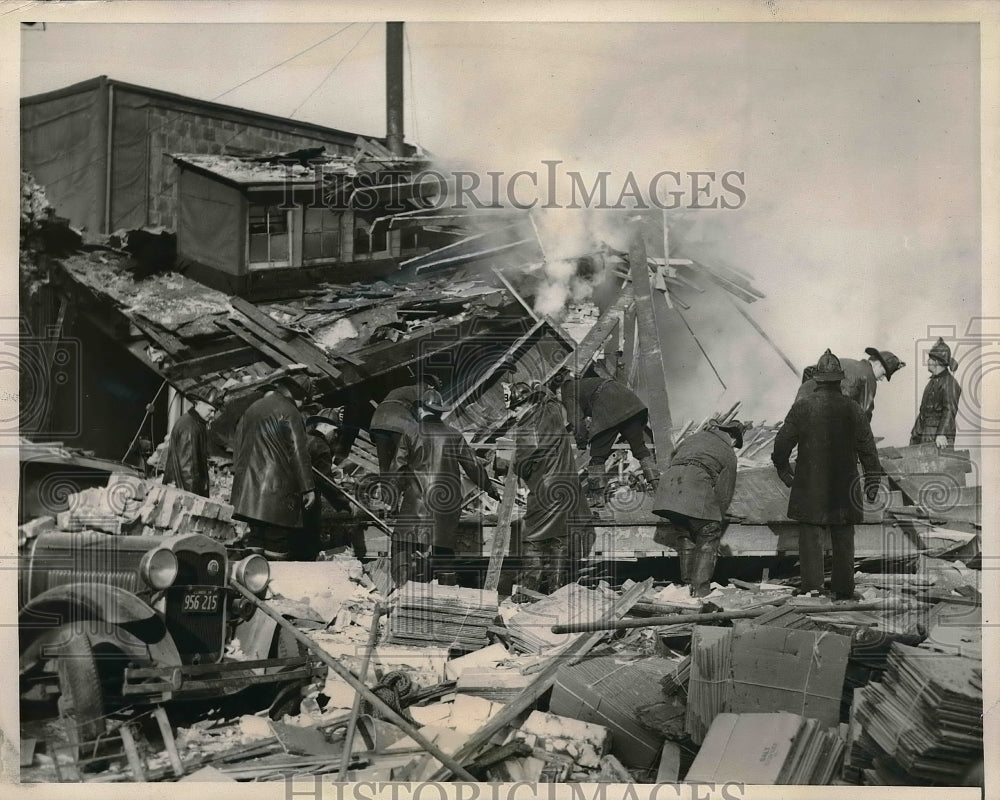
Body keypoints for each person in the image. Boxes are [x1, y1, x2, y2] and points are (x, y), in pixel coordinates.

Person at [772, 350, 884, 599]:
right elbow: (869, 451)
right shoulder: (853, 409)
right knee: (844, 538)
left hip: (809, 486)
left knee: (811, 538)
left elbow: (780, 447)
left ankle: (812, 590)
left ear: (818, 380)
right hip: (844, 486)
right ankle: (843, 591)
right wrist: (872, 484)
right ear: (839, 380)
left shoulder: (801, 408)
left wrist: (785, 472)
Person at [389, 389, 498, 587]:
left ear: (422, 410)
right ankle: (447, 596)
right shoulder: (454, 435)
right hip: (446, 506)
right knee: (444, 552)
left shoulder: (411, 433)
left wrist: (392, 500)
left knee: (401, 546)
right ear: (439, 412)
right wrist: (490, 488)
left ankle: (401, 591)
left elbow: (397, 469)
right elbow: (473, 465)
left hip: (416, 504)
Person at [505, 379, 594, 594]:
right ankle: (557, 588)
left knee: (533, 539)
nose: (513, 413)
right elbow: (551, 396)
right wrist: (538, 387)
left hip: (545, 491)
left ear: (524, 405)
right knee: (559, 538)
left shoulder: (526, 428)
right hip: (567, 489)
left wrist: (511, 464)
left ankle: (529, 589)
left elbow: (524, 464)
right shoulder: (553, 411)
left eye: (515, 408)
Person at [651, 418, 748, 597]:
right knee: (708, 532)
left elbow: (672, 459)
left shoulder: (693, 438)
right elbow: (724, 492)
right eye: (736, 443)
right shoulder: (728, 452)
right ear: (733, 437)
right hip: (693, 488)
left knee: (686, 533)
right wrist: (717, 515)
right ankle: (701, 590)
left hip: (668, 492)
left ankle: (687, 586)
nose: (734, 446)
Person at [230, 374, 315, 561]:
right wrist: (308, 487)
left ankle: (250, 581)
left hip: (249, 489)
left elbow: (238, 443)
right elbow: (298, 452)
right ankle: (273, 584)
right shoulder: (290, 412)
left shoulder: (253, 408)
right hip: (277, 491)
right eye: (304, 399)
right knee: (277, 541)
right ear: (297, 394)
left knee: (255, 538)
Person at [559, 373, 656, 506]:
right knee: (640, 449)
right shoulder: (584, 384)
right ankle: (657, 486)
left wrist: (581, 440)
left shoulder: (567, 391)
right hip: (632, 404)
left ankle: (597, 497)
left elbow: (575, 418)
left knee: (597, 457)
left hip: (609, 407)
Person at [795, 346, 905, 423]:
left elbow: (808, 370)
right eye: (883, 374)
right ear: (877, 364)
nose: (881, 379)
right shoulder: (868, 376)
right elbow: (865, 414)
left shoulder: (844, 361)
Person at [300, 408, 354, 561]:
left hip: (290, 503)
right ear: (325, 427)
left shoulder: (303, 439)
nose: (336, 436)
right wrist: (345, 504)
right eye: (335, 431)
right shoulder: (321, 447)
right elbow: (326, 482)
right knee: (308, 549)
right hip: (306, 506)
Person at [370, 374, 442, 472]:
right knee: (410, 460)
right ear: (431, 386)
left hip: (377, 422)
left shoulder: (400, 390)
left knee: (384, 466)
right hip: (398, 423)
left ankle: (387, 487)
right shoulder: (424, 392)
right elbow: (426, 414)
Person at [910, 337, 962, 447]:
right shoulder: (932, 382)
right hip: (925, 435)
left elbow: (949, 410)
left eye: (930, 359)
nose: (927, 362)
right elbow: (923, 413)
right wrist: (915, 435)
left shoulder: (950, 383)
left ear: (936, 361)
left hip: (937, 438)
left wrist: (942, 434)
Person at [163, 399, 214, 496]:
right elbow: (188, 470)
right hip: (183, 492)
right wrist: (193, 500)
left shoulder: (193, 422)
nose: (213, 415)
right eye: (210, 410)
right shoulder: (189, 427)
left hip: (178, 489)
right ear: (199, 404)